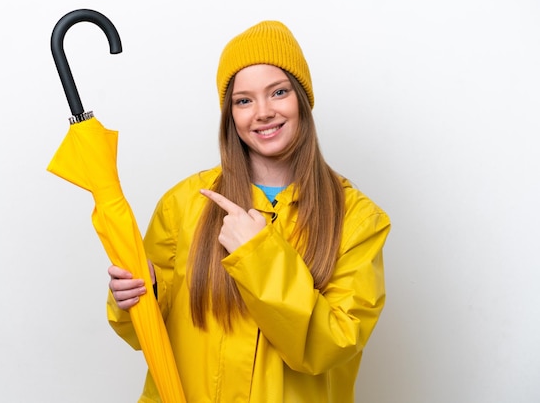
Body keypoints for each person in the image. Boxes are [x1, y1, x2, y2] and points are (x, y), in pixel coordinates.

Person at [106, 20, 391, 403]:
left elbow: (333, 345)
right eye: (244, 100)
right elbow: (146, 335)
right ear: (230, 115)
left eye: (278, 92)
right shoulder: (185, 203)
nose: (263, 112)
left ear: (302, 99)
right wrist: (139, 295)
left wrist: (258, 254)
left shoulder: (358, 219)